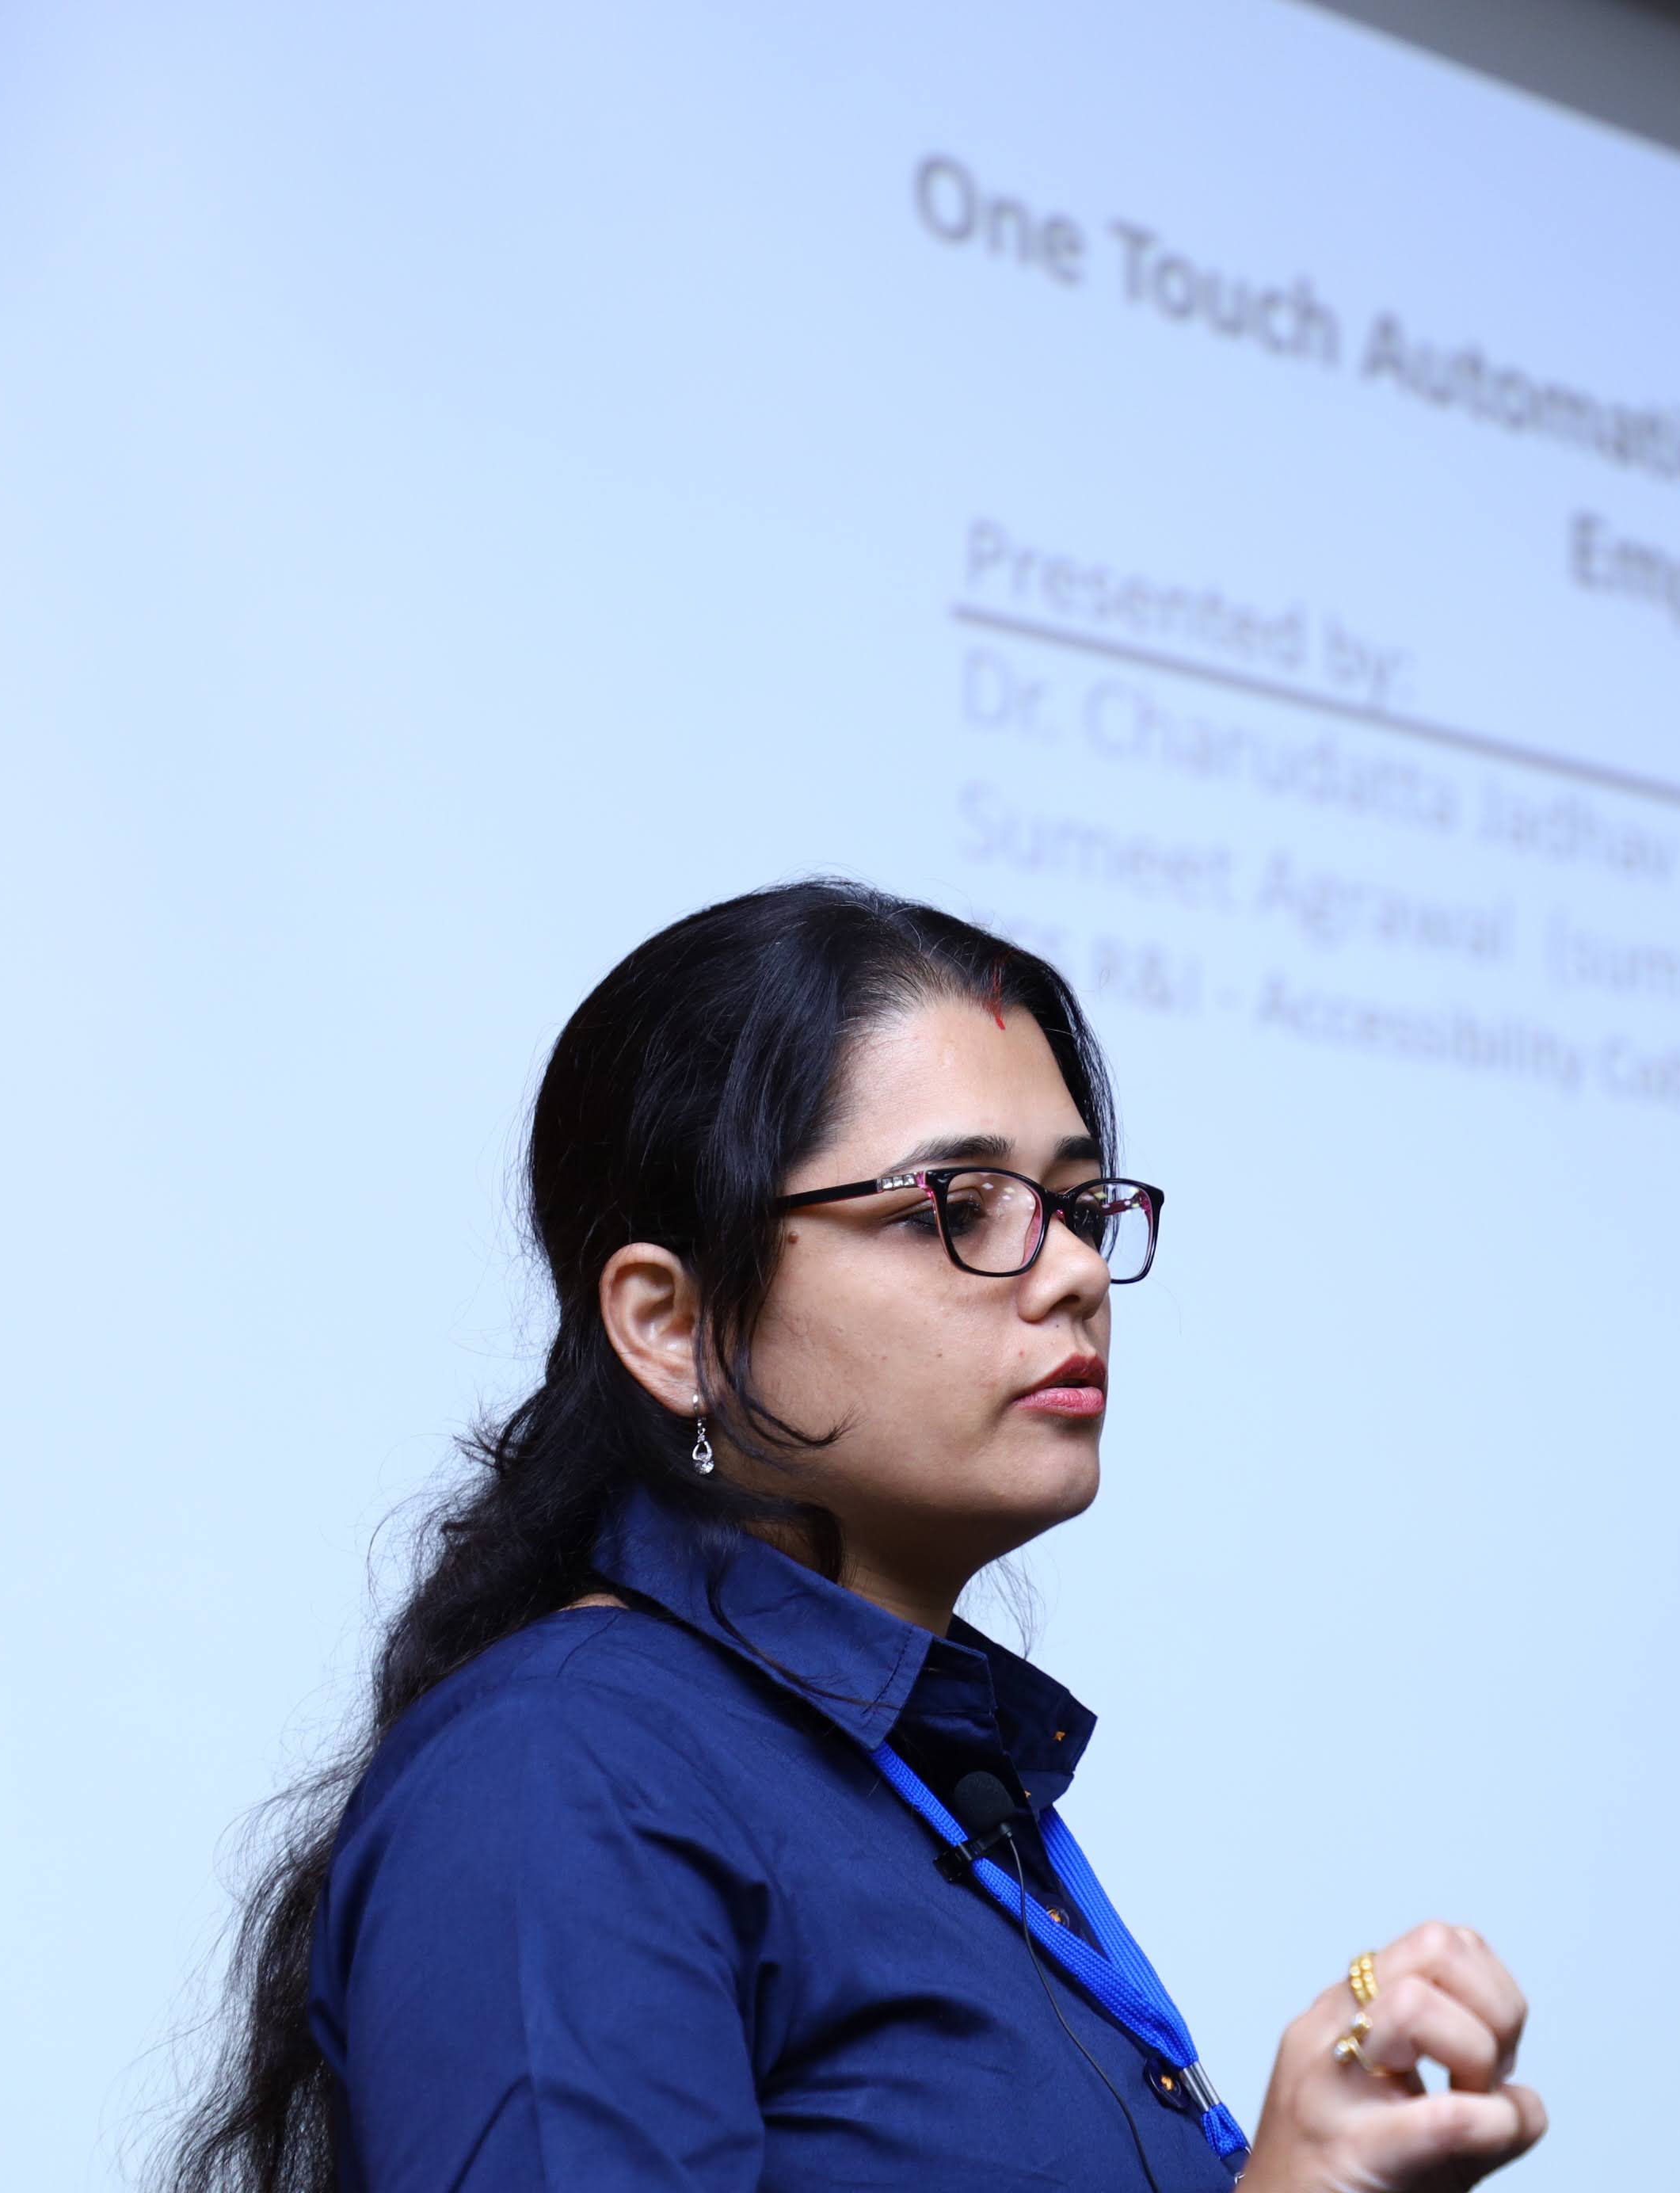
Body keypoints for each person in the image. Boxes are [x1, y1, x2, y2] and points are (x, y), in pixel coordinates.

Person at [165, 879, 1546, 2193]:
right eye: (956, 1207)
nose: (1074, 1270)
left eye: (1080, 1207)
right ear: (674, 1327)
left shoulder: (933, 1783)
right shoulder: (569, 1765)